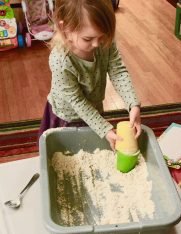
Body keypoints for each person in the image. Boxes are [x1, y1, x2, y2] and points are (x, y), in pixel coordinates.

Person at [39, 0, 141, 150]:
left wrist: (133, 104)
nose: (96, 44)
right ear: (64, 27)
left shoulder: (104, 41)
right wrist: (103, 128)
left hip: (94, 107)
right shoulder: (61, 60)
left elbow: (118, 71)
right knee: (69, 152)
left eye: (102, 36)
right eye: (88, 39)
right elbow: (77, 101)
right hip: (68, 115)